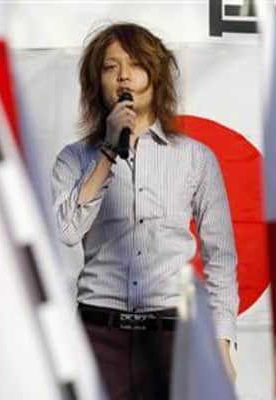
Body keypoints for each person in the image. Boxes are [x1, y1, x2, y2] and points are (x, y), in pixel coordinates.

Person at [51, 22, 238, 399]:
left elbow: (221, 258)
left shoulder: (194, 158)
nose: (124, 76)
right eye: (110, 67)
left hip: (172, 337)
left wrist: (221, 342)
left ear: (156, 75)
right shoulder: (75, 158)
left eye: (135, 64)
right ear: (96, 82)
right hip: (98, 335)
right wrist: (107, 151)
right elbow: (67, 230)